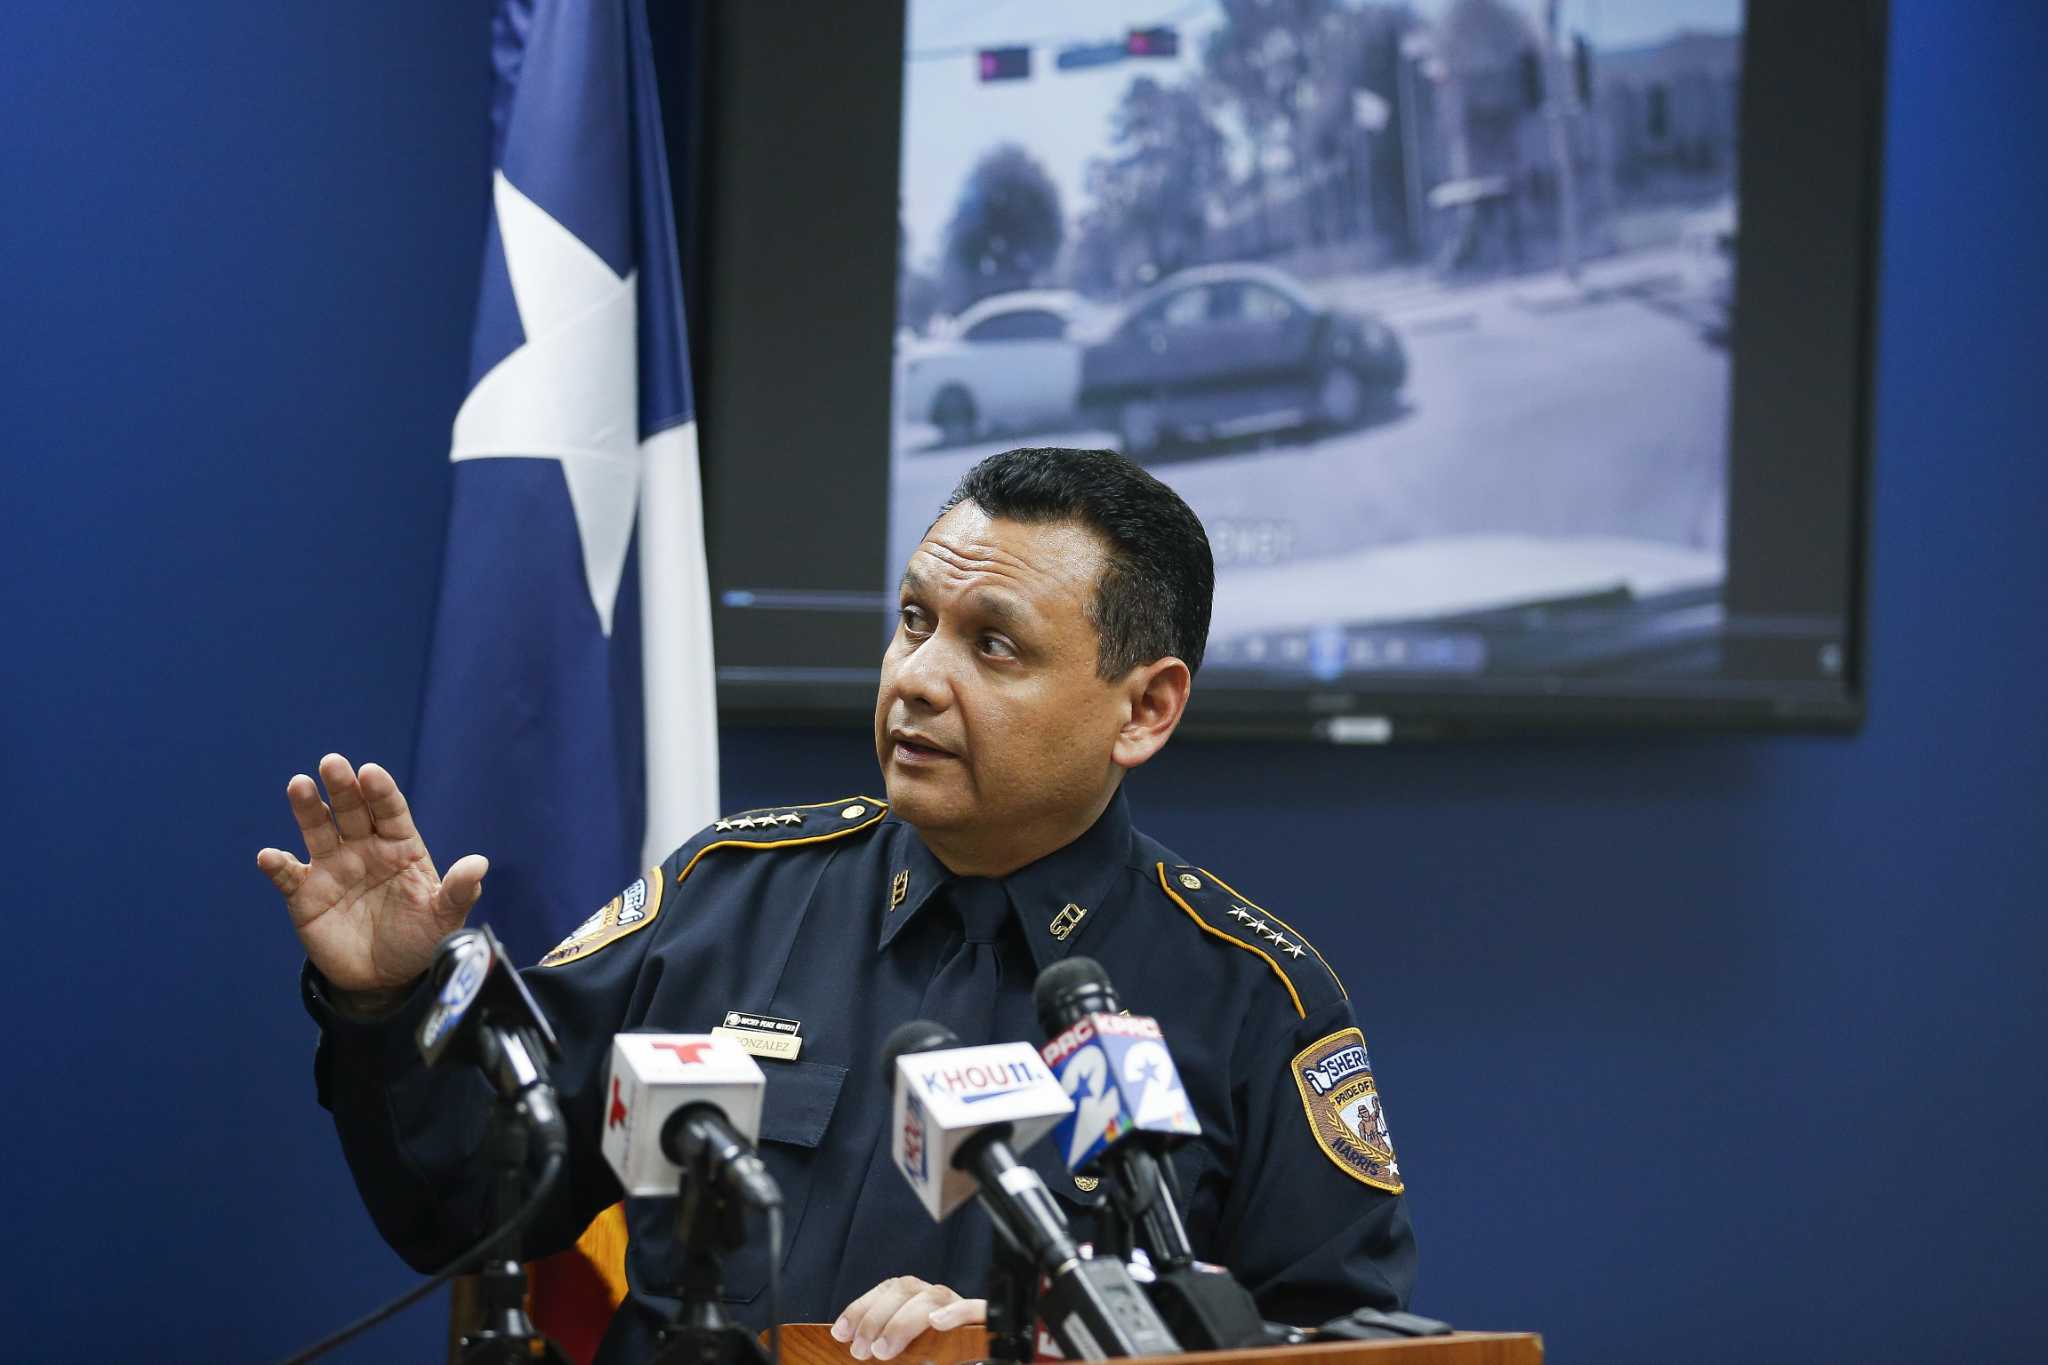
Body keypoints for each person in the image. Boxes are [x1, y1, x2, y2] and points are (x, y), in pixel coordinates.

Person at [262, 447, 1416, 1364]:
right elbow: (470, 1217)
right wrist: (384, 1002)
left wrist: (1040, 1344)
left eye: (993, 646)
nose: (915, 676)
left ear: (1145, 709)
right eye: (913, 620)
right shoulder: (725, 898)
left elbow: (1338, 1341)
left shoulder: (1249, 998)